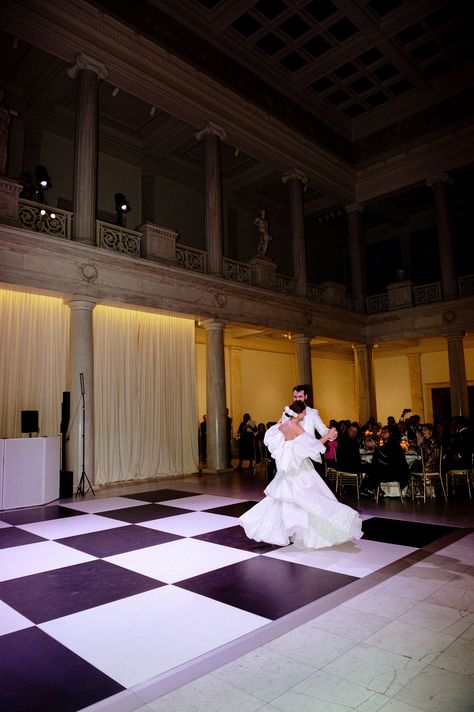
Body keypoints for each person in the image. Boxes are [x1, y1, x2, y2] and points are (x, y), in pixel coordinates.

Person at [239, 400, 363, 548]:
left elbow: (278, 442)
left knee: (287, 502)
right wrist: (328, 435)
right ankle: (313, 534)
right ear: (299, 413)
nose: (306, 413)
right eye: (304, 412)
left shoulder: (282, 426)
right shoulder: (295, 427)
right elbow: (313, 444)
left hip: (288, 471)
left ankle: (286, 531)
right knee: (313, 498)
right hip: (300, 470)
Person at [361, 426, 409, 497]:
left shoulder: (393, 442)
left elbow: (385, 455)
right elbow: (382, 455)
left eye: (385, 432)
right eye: (382, 432)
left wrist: (375, 446)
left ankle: (368, 489)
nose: (383, 433)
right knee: (372, 468)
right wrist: (376, 447)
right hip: (391, 469)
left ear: (391, 433)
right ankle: (372, 490)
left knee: (373, 469)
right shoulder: (388, 442)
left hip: (396, 472)